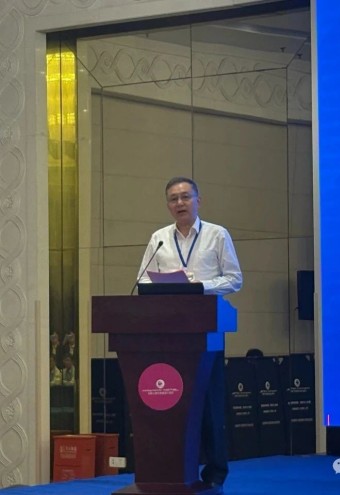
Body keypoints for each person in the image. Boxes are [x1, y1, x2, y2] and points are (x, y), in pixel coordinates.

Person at [137, 176, 242, 490]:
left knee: (209, 404)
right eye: (173, 199)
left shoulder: (217, 235)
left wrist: (199, 287)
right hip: (169, 332)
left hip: (206, 328)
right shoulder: (159, 238)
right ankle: (175, 469)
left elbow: (234, 279)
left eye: (185, 197)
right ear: (167, 205)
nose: (180, 203)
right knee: (172, 403)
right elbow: (143, 281)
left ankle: (215, 472)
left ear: (199, 200)